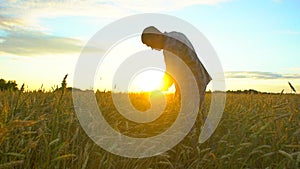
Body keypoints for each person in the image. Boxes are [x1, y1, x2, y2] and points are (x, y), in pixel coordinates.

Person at [141, 26, 211, 104]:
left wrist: (158, 91)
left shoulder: (171, 46)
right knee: (194, 112)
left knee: (190, 113)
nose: (152, 48)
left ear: (157, 36)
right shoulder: (175, 35)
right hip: (196, 78)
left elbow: (172, 73)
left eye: (151, 44)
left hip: (192, 83)